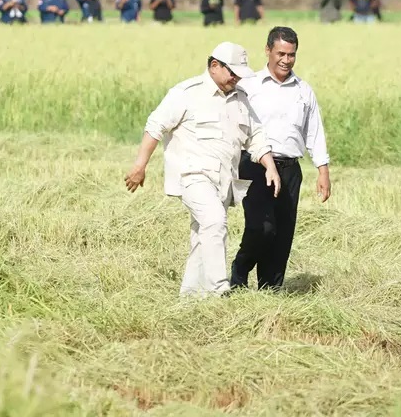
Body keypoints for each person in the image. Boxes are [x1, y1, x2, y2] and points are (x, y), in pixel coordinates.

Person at [124, 42, 281, 297]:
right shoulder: (186, 93)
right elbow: (155, 126)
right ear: (214, 66)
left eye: (239, 73)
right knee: (214, 222)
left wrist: (270, 167)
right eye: (232, 72)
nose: (236, 78)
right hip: (192, 176)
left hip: (224, 181)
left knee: (203, 234)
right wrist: (140, 166)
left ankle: (191, 296)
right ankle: (219, 289)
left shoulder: (240, 98)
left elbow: (256, 136)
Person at [231, 27, 330, 291]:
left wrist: (323, 170)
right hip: (254, 166)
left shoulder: (303, 90)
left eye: (292, 55)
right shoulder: (249, 85)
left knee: (282, 234)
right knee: (262, 228)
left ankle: (270, 290)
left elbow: (314, 131)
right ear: (267, 51)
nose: (286, 60)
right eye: (281, 54)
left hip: (290, 170)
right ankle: (239, 272)